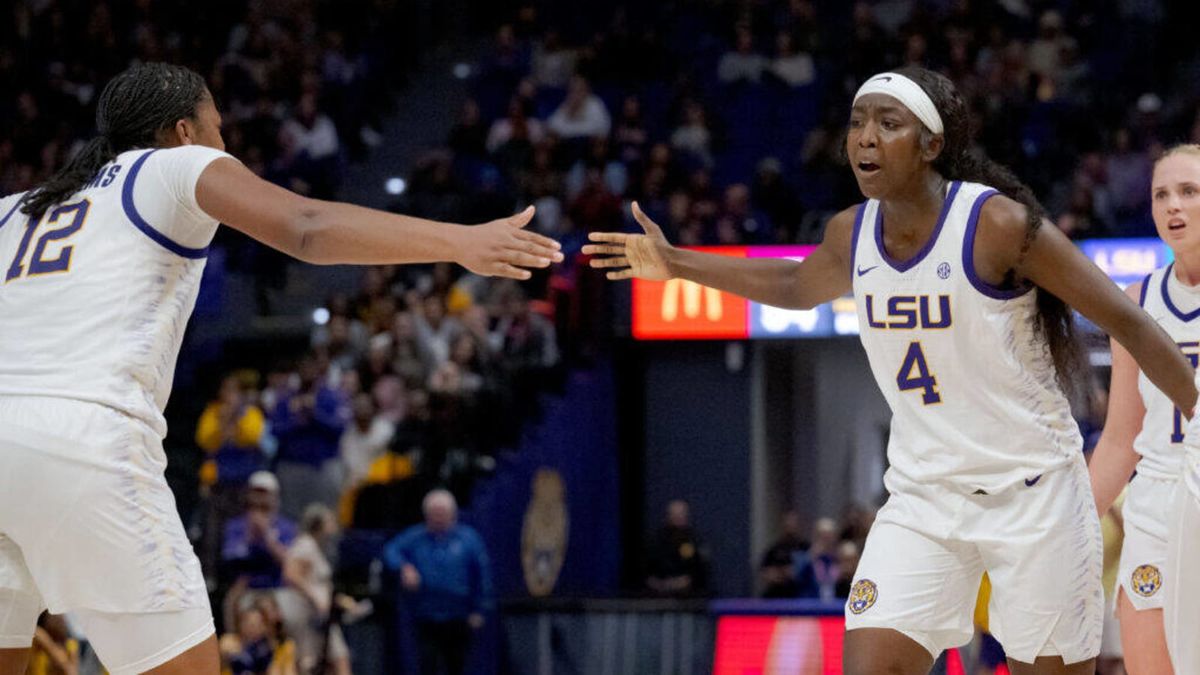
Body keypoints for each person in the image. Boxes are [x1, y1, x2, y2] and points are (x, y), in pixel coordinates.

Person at [585, 66, 1197, 675]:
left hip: (1035, 497)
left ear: (933, 145)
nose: (864, 138)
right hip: (923, 497)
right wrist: (677, 263)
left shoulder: (997, 225)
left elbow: (1133, 323)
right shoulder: (851, 234)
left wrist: (1196, 410)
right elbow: (797, 282)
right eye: (856, 123)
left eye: (887, 122)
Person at [0, 62, 561, 675]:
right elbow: (307, 228)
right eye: (218, 129)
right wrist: (460, 243)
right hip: (84, 440)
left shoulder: (13, 209)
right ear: (185, 130)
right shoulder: (173, 164)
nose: (225, 146)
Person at [1087, 144, 1200, 674]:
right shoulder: (1137, 302)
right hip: (1154, 504)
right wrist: (1070, 522)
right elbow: (1118, 439)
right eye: (1161, 195)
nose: (1173, 206)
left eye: (1189, 192)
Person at [381, 490, 492, 675]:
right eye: (434, 514)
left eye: (443, 514)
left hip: (459, 616)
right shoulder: (415, 537)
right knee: (428, 663)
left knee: (456, 665)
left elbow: (482, 575)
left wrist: (479, 609)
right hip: (426, 615)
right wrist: (404, 567)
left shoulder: (469, 539)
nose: (439, 518)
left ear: (453, 514)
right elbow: (390, 551)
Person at [278, 504, 361, 675]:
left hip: (321, 616)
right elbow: (291, 574)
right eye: (330, 521)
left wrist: (342, 601)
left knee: (333, 660)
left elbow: (318, 583)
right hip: (305, 613)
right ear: (319, 524)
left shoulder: (316, 547)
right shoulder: (305, 545)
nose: (334, 525)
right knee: (313, 661)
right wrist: (315, 597)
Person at [222, 472, 298, 591]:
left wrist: (267, 537)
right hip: (245, 588)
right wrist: (250, 538)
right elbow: (230, 559)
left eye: (265, 493)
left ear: (275, 496)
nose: (260, 497)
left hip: (278, 588)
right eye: (256, 492)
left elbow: (291, 563)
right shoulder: (236, 525)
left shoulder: (287, 527)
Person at [644, 500, 710, 598]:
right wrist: (659, 583)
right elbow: (647, 570)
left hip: (690, 599)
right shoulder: (655, 541)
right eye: (674, 515)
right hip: (657, 597)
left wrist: (683, 582)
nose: (678, 518)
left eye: (681, 514)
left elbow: (701, 571)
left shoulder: (695, 541)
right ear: (668, 517)